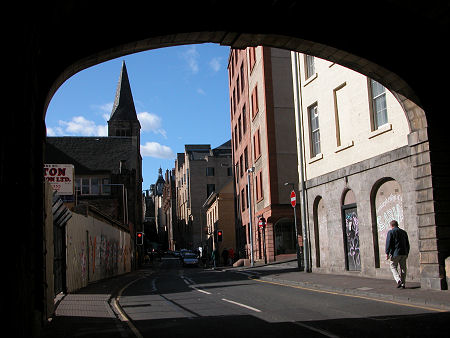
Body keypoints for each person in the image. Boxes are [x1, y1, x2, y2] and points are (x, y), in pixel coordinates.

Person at [385, 220, 410, 288]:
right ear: (397, 224)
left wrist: (387, 253)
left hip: (395, 253)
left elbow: (388, 243)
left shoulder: (391, 232)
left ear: (391, 226)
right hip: (404, 253)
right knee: (403, 268)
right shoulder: (404, 232)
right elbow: (407, 243)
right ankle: (403, 283)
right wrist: (407, 252)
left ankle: (398, 280)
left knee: (393, 266)